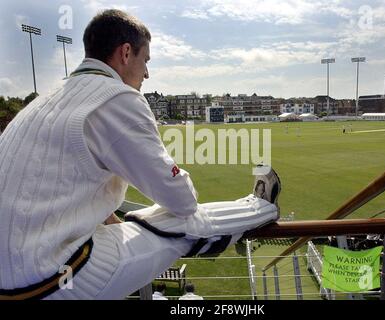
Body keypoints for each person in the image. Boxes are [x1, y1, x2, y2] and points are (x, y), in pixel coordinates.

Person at [0, 9, 280, 300]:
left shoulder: (44, 100)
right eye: (145, 60)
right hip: (51, 280)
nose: (146, 72)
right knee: (180, 222)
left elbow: (63, 184)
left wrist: (115, 221)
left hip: (13, 280)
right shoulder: (116, 96)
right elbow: (182, 201)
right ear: (125, 53)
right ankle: (260, 207)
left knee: (142, 220)